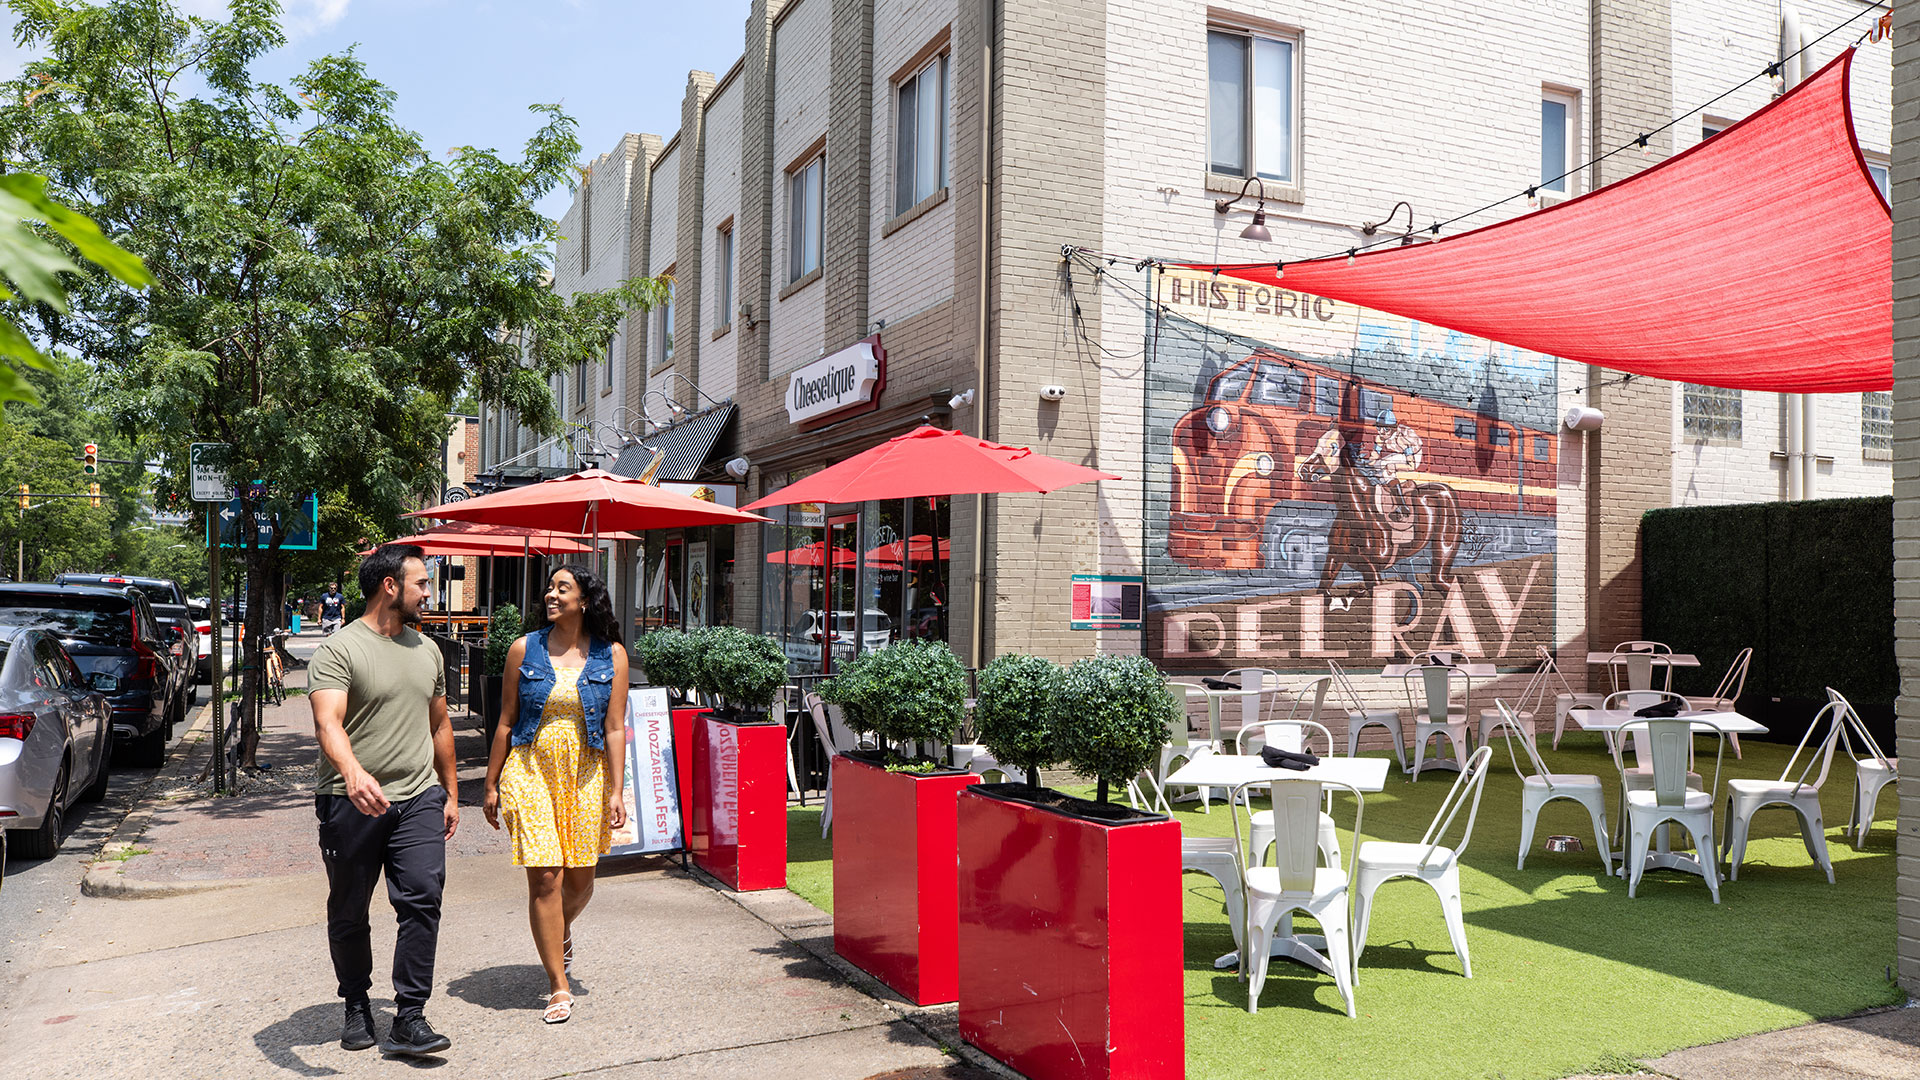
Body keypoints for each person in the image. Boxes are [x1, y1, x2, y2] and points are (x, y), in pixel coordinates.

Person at [307, 544, 458, 1057]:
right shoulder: (340, 649)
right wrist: (351, 773)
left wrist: (450, 790)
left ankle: (409, 1016)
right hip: (350, 800)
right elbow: (328, 723)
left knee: (422, 897)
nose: (428, 592)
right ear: (390, 586)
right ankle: (355, 1003)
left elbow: (440, 724)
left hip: (418, 797)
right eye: (421, 582)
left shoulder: (429, 649)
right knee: (349, 909)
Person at [482, 565, 628, 1025]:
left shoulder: (613, 656)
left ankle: (560, 930)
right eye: (549, 587)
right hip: (530, 768)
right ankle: (557, 986)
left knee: (581, 879)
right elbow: (505, 721)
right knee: (546, 876)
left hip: (586, 772)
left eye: (562, 588)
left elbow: (615, 727)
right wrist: (490, 783)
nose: (551, 594)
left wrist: (618, 790)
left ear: (584, 600)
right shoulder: (524, 649)